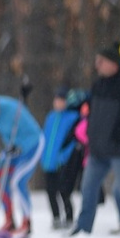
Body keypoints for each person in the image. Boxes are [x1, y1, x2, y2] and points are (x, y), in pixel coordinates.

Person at [69, 45, 120, 236]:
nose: (97, 65)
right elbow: (91, 113)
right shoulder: (97, 84)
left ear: (113, 63)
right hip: (97, 149)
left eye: (101, 61)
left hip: (118, 149)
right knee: (88, 188)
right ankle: (83, 228)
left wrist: (119, 135)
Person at [0, 91, 43, 238]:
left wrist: (20, 147)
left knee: (17, 182)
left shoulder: (12, 109)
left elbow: (31, 132)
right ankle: (9, 220)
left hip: (31, 146)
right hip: (12, 148)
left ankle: (27, 222)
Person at [41, 87, 84, 230]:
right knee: (50, 191)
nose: (58, 103)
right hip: (49, 162)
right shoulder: (51, 117)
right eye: (57, 99)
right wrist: (43, 156)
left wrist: (64, 157)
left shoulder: (73, 117)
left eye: (61, 100)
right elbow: (45, 138)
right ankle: (56, 217)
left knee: (64, 191)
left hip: (63, 162)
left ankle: (69, 217)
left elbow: (73, 141)